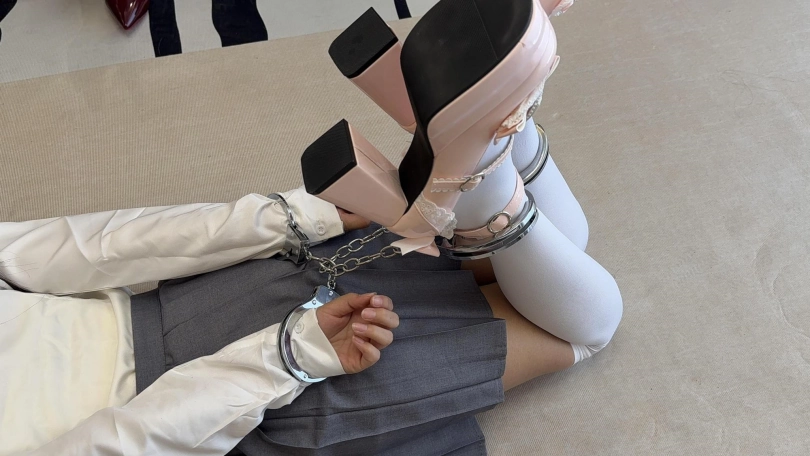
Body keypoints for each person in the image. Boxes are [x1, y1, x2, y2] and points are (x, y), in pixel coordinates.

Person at [1, 0, 623, 454]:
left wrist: (291, 218)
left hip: (211, 328)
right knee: (557, 308)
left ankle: (484, 163)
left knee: (555, 302)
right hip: (228, 411)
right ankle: (498, 139)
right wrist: (290, 348)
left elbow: (65, 250)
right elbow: (71, 250)